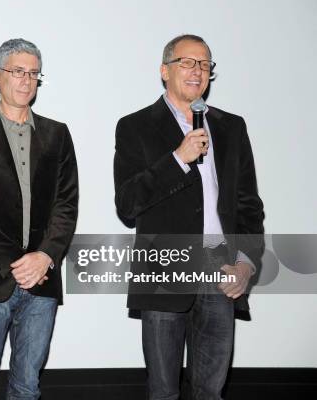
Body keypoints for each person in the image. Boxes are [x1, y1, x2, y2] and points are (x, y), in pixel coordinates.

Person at [113, 34, 265, 399]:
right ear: (165, 71)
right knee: (163, 391)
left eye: (205, 64)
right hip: (166, 267)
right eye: (187, 62)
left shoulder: (232, 127)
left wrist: (246, 263)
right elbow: (128, 203)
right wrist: (178, 158)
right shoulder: (135, 126)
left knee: (209, 391)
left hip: (220, 267)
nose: (197, 71)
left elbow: (248, 206)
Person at [0, 38, 79, 399]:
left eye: (34, 73)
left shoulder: (58, 134)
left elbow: (66, 204)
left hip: (43, 279)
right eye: (17, 71)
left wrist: (44, 257)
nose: (26, 80)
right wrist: (16, 262)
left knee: (27, 385)